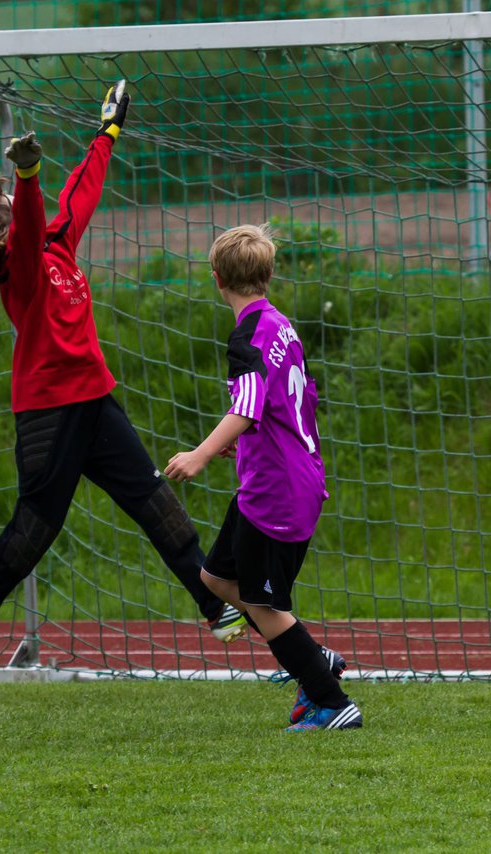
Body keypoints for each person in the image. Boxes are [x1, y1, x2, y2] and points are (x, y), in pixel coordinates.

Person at [0, 82, 247, 690]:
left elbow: (82, 191)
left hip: (94, 401)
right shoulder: (19, 268)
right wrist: (29, 175)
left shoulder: (58, 243)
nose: (29, 218)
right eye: (21, 215)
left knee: (155, 503)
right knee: (34, 534)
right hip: (46, 412)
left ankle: (212, 602)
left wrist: (108, 131)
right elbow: (37, 211)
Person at [163, 224, 361, 731]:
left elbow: (248, 405)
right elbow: (295, 402)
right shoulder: (281, 324)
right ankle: (313, 658)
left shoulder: (248, 334)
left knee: (260, 602)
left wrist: (202, 453)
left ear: (216, 279)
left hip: (277, 490)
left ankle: (332, 702)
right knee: (215, 579)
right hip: (281, 479)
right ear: (268, 275)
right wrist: (248, 445)